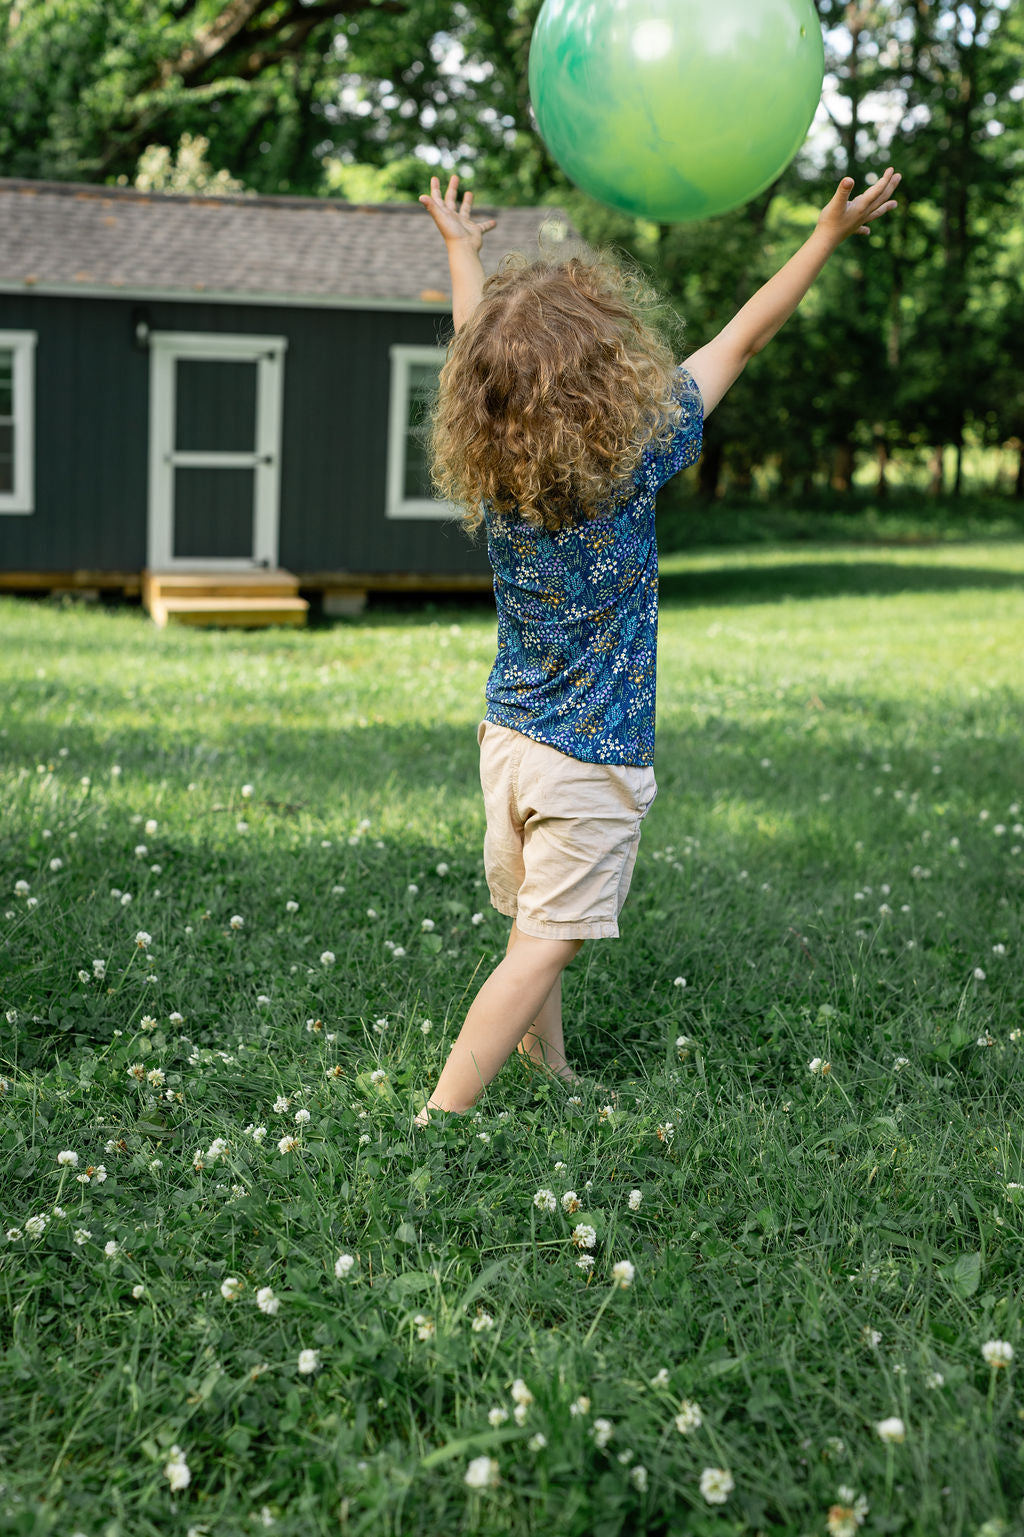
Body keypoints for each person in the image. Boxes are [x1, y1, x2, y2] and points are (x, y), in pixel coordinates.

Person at [413, 166, 900, 1124]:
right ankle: (442, 1115)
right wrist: (823, 238)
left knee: (534, 922)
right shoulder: (630, 460)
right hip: (586, 762)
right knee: (544, 946)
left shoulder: (500, 473)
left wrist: (462, 253)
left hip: (508, 745)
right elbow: (740, 338)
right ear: (606, 382)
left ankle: (548, 1068)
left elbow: (478, 344)